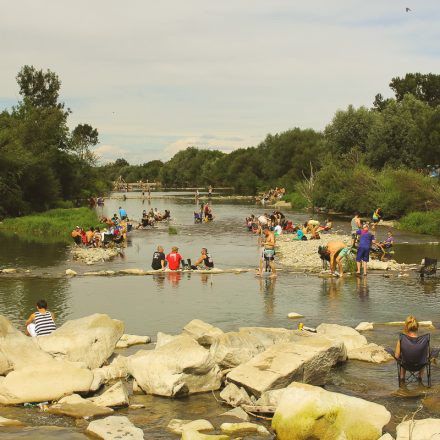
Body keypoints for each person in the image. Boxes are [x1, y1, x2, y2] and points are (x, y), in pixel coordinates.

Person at [394, 315, 421, 382]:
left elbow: (396, 356)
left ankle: (402, 377)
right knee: (422, 357)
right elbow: (426, 355)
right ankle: (420, 377)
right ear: (417, 326)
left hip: (406, 365)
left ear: (406, 326)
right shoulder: (423, 341)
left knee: (403, 357)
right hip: (420, 365)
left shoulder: (401, 339)